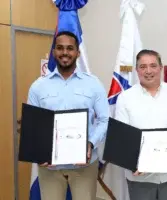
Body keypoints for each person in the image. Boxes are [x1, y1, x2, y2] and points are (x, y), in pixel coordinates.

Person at [27, 31, 109, 200]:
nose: (65, 53)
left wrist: (90, 143)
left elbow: (104, 120)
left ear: (77, 52)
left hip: (84, 166)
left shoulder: (93, 84)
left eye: (70, 48)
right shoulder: (38, 86)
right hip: (50, 167)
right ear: (54, 52)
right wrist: (38, 151)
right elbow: (32, 125)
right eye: (60, 48)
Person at [115, 49, 167, 200]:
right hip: (139, 177)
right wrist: (131, 161)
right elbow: (121, 138)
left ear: (160, 67)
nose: (148, 71)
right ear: (136, 70)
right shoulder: (125, 98)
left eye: (153, 65)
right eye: (143, 66)